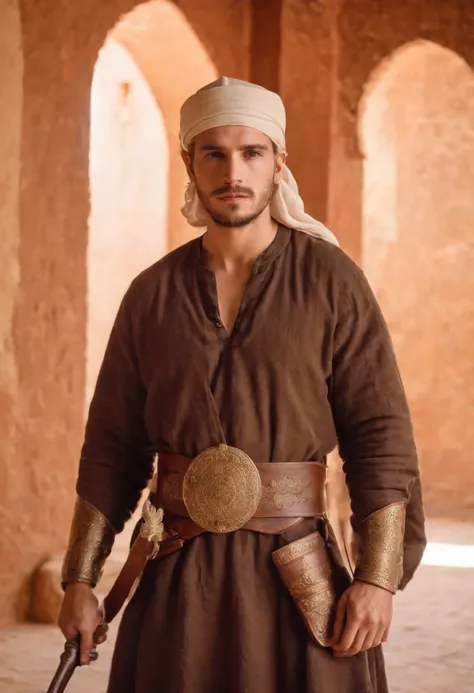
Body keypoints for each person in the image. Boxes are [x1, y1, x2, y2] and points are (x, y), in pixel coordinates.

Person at [58, 77, 426, 693]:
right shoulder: (151, 295)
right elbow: (112, 449)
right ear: (189, 163)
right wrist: (80, 580)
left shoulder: (332, 282)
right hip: (178, 580)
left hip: (299, 579)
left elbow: (380, 438)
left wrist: (377, 578)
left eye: (252, 152)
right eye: (214, 153)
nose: (234, 170)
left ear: (278, 161)